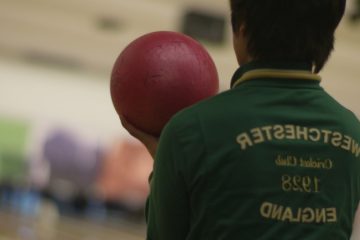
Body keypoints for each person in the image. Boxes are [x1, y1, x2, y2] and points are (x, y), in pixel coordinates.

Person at [119, 0, 360, 239]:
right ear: (329, 33)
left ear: (241, 28)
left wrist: (167, 160)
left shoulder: (190, 130)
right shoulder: (353, 133)